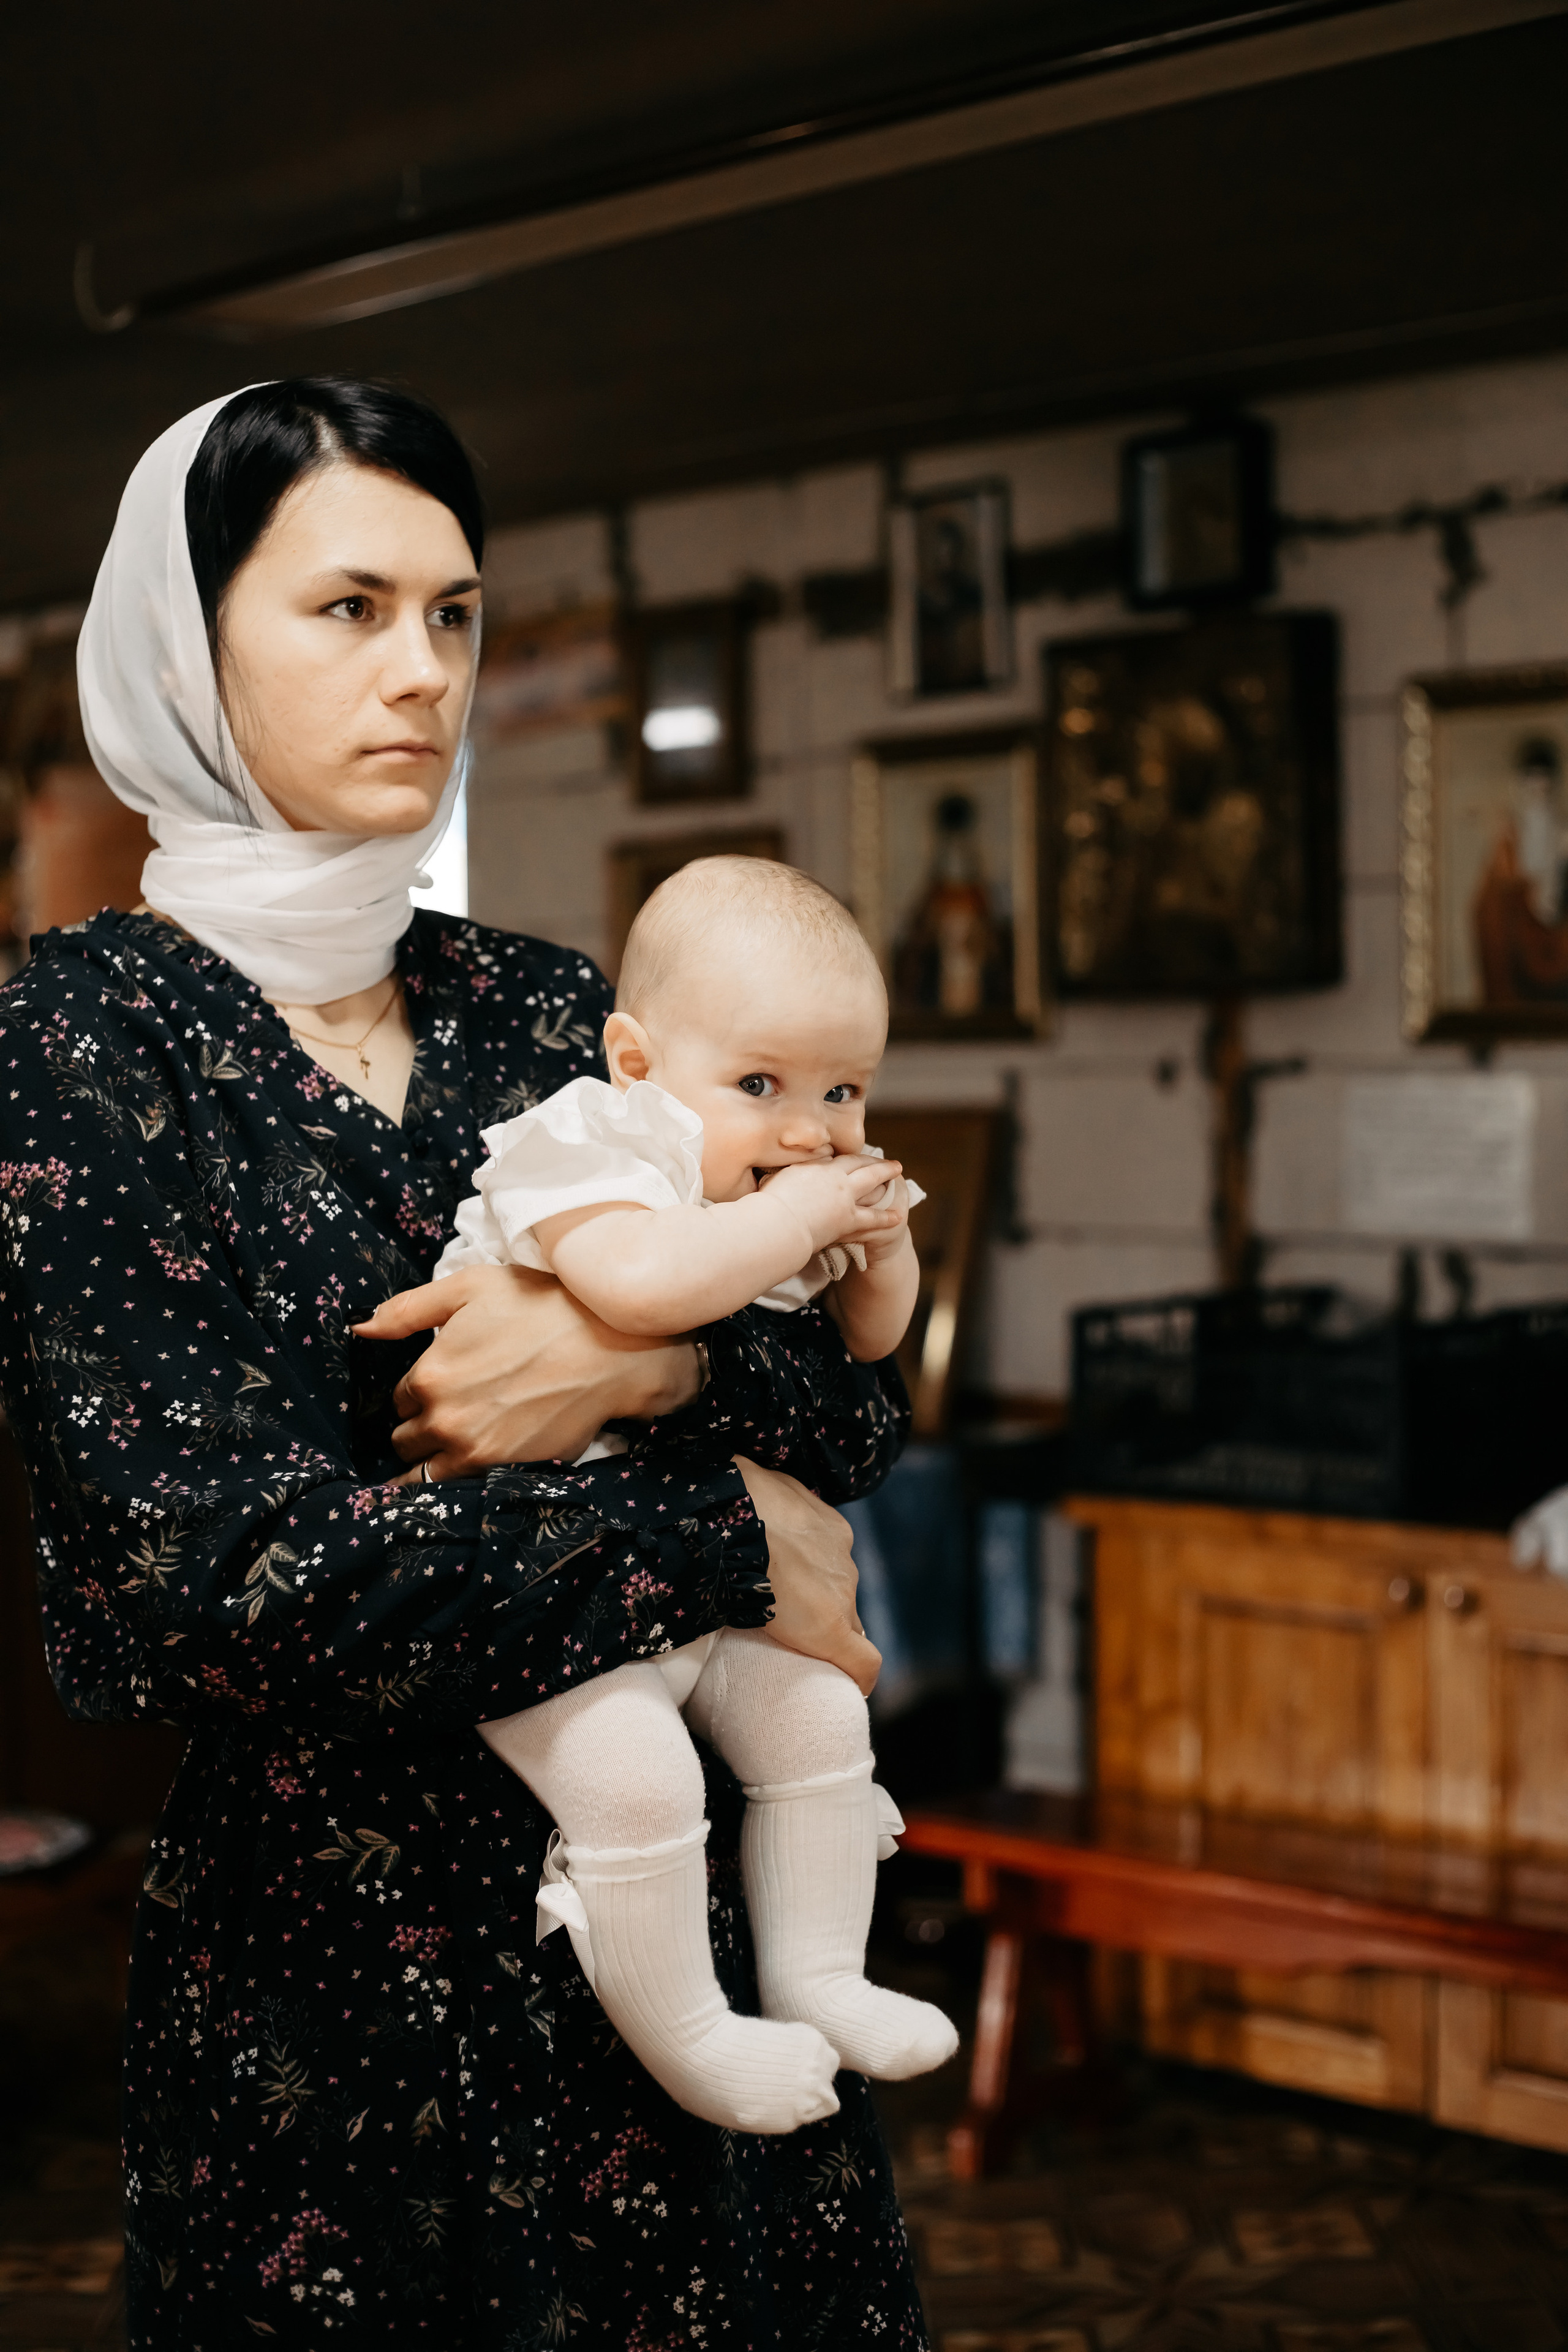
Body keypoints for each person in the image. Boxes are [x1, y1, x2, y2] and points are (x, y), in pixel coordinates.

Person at [0, 379, 928, 2346]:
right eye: (349, 608)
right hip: (338, 1990)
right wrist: (724, 1535)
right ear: (187, 642)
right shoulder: (85, 1043)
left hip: (684, 1974)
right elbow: (195, 1590)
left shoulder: (554, 1006)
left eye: (454, 613)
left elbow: (852, 1409)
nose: (423, 671)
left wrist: (632, 1380)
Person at [442, 856, 957, 2134]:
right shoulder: (587, 1143)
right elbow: (641, 1288)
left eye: (843, 1090)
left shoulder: (776, 1184)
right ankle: (688, 2031)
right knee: (638, 1781)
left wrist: (880, 1248)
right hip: (542, 1585)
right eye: (761, 1085)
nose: (810, 1130)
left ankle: (820, 1977)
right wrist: (799, 1225)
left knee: (818, 1718)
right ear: (635, 1062)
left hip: (703, 1581)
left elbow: (871, 1348)